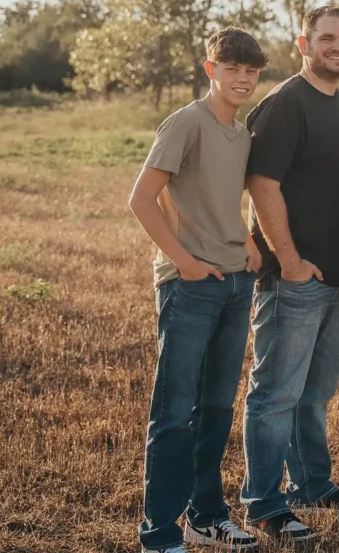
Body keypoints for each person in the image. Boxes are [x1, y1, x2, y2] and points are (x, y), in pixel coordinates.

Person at [128, 27, 266, 553]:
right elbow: (141, 199)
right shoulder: (187, 122)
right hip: (190, 286)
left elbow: (227, 196)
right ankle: (160, 536)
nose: (242, 79)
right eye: (232, 69)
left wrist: (250, 243)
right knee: (174, 412)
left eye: (251, 71)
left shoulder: (243, 133)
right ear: (211, 69)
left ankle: (206, 517)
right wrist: (183, 261)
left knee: (215, 409)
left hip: (235, 282)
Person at [240, 5, 339, 543]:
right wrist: (289, 263)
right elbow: (262, 184)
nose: (337, 46)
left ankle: (312, 484)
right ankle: (264, 503)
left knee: (315, 393)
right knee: (275, 394)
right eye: (326, 38)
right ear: (303, 43)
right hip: (293, 277)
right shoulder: (285, 103)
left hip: (338, 273)